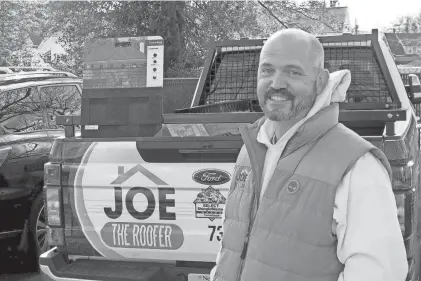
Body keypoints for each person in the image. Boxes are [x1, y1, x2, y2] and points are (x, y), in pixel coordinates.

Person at [210, 29, 408, 281]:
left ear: (321, 81)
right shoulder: (251, 149)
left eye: (293, 72)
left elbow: (381, 273)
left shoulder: (357, 165)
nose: (277, 83)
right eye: (267, 70)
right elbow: (231, 246)